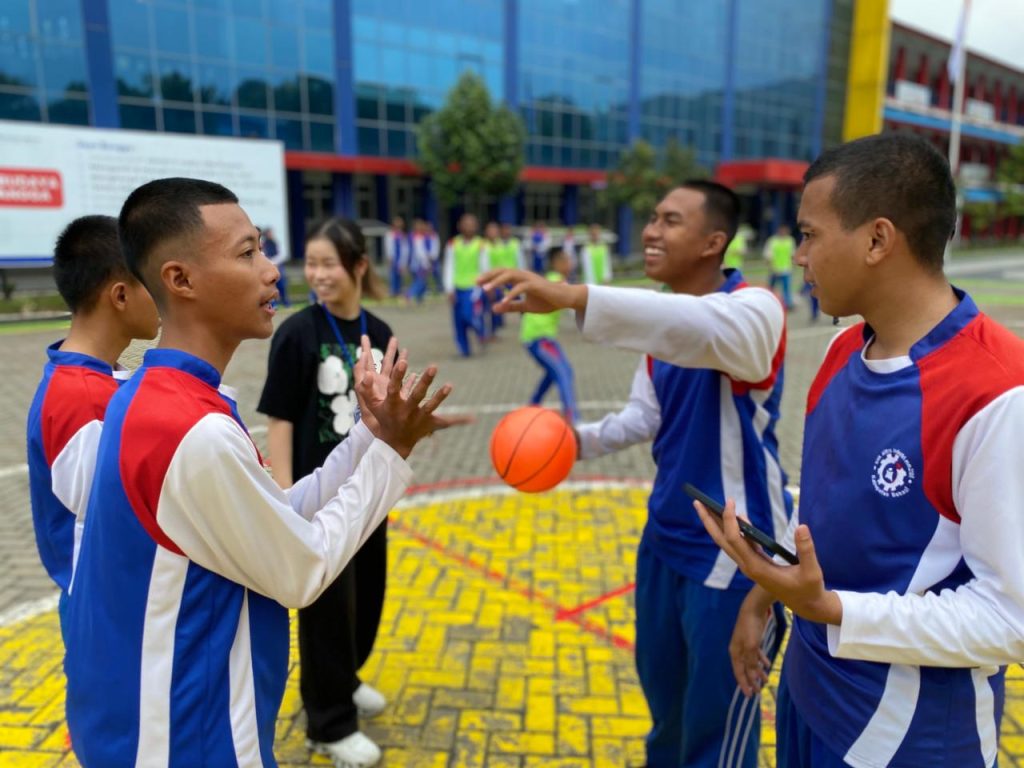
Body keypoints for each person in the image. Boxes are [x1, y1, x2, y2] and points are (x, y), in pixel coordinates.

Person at [65, 177, 462, 768]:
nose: (273, 271)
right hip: (186, 739)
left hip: (154, 725)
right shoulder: (190, 429)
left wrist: (371, 436)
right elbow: (302, 568)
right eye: (248, 252)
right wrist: (392, 450)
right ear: (180, 279)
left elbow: (275, 519)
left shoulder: (163, 399)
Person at [695, 133, 1024, 768]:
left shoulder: (998, 391)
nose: (798, 257)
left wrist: (831, 609)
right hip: (809, 695)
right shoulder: (841, 351)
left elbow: (1009, 618)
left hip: (910, 739)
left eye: (809, 235)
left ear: (877, 240)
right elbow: (826, 511)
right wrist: (764, 595)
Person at [482, 179, 791, 768]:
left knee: (715, 733)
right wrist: (568, 442)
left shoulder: (757, 311)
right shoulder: (662, 332)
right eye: (652, 218)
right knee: (665, 712)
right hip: (664, 539)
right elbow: (643, 418)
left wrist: (572, 295)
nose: (650, 231)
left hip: (732, 556)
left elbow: (701, 326)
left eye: (670, 221)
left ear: (713, 242)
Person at [257, 217, 395, 766]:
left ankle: (346, 678)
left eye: (327, 264)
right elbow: (281, 417)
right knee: (326, 611)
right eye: (310, 264)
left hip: (369, 492)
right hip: (318, 499)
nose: (317, 274)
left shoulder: (380, 333)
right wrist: (286, 496)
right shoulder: (297, 333)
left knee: (367, 599)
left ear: (358, 266)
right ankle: (328, 723)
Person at [26, 215, 160, 639]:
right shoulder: (82, 398)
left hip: (113, 601)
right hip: (110, 610)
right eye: (152, 282)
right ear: (120, 295)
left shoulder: (96, 381)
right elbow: (114, 523)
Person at [520, 247, 578, 423]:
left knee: (554, 372)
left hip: (537, 337)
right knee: (563, 372)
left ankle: (532, 406)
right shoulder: (557, 282)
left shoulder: (551, 280)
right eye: (566, 260)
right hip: (539, 338)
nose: (570, 264)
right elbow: (576, 309)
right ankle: (574, 420)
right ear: (556, 263)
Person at [443, 213, 488, 357]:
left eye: (471, 224)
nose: (468, 227)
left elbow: (484, 267)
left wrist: (484, 286)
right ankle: (464, 349)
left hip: (473, 287)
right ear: (460, 226)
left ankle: (481, 331)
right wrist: (449, 288)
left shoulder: (481, 244)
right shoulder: (453, 243)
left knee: (469, 315)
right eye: (466, 224)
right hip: (457, 287)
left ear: (476, 227)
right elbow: (449, 266)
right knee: (458, 321)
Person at [764, 224, 796, 309]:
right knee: (771, 287)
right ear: (779, 230)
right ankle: (768, 302)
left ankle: (787, 304)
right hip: (774, 269)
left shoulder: (790, 240)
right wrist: (770, 266)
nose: (784, 232)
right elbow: (768, 255)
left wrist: (793, 264)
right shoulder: (772, 241)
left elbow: (792, 254)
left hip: (786, 269)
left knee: (786, 288)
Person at [262, 226, 290, 307]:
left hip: (278, 266)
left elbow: (282, 254)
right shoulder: (263, 243)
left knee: (282, 284)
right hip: (268, 266)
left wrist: (275, 262)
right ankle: (273, 303)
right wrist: (270, 262)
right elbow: (263, 255)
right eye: (269, 233)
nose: (271, 234)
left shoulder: (276, 242)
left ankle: (286, 302)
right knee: (271, 285)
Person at [383, 215, 409, 299]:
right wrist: (389, 257)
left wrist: (404, 261)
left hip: (400, 258)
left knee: (399, 276)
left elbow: (405, 249)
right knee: (393, 275)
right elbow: (388, 246)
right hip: (393, 258)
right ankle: (393, 291)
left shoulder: (402, 235)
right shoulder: (390, 234)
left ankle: (398, 291)